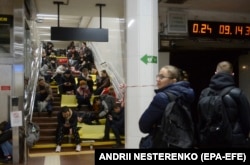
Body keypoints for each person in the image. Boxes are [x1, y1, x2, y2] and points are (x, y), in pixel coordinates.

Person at [138, 65, 195, 148]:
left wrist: (156, 126)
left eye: (162, 77)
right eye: (158, 76)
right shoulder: (188, 95)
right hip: (183, 141)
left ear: (173, 81)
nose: (158, 79)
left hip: (163, 141)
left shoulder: (162, 98)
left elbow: (143, 125)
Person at [197, 61, 250, 148]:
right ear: (232, 74)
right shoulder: (238, 93)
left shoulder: (205, 93)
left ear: (215, 73)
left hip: (210, 140)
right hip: (234, 141)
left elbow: (200, 119)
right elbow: (246, 121)